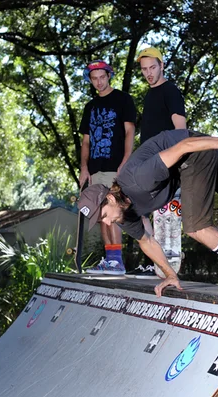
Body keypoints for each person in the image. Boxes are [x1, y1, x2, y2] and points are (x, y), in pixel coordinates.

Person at [77, 129, 218, 296]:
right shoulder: (122, 215)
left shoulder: (138, 179)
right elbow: (146, 241)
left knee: (196, 226)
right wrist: (170, 274)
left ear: (110, 198)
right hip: (195, 160)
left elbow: (185, 146)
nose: (108, 223)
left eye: (103, 216)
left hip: (194, 151)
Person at [130, 46, 187, 277]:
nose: (149, 73)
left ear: (162, 65)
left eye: (153, 67)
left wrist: (175, 161)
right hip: (149, 164)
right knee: (144, 211)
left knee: (167, 212)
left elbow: (181, 129)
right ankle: (154, 260)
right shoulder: (150, 95)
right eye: (144, 69)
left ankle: (171, 258)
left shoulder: (170, 91)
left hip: (167, 163)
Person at [78, 60, 137, 275]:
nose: (99, 82)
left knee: (113, 211)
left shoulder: (122, 99)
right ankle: (110, 259)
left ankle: (117, 261)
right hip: (95, 169)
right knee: (99, 212)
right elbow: (86, 141)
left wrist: (126, 160)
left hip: (115, 165)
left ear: (109, 75)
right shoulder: (90, 107)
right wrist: (84, 168)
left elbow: (130, 132)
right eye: (94, 79)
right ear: (90, 80)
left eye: (102, 77)